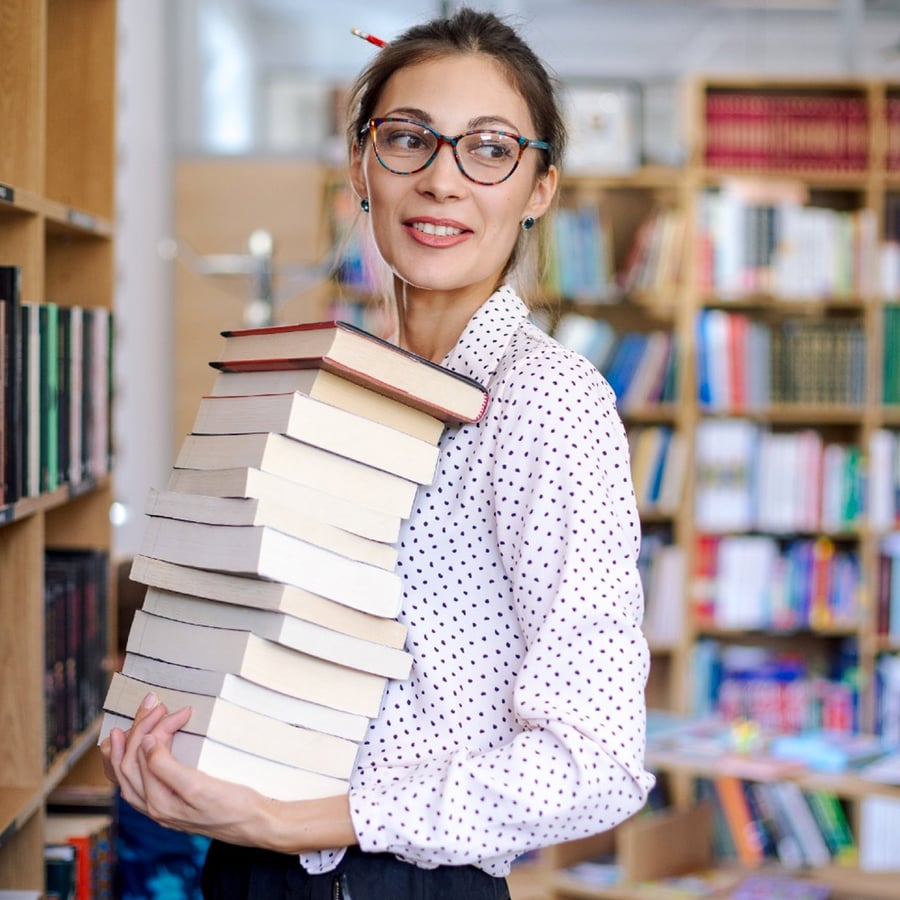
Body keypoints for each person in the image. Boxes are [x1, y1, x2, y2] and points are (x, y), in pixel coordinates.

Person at [101, 7, 655, 898]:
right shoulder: (345, 383)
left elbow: (595, 762)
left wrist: (298, 821)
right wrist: (183, 766)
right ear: (362, 165)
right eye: (408, 140)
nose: (441, 180)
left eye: (488, 149)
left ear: (540, 186)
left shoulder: (548, 403)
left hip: (391, 878)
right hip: (251, 865)